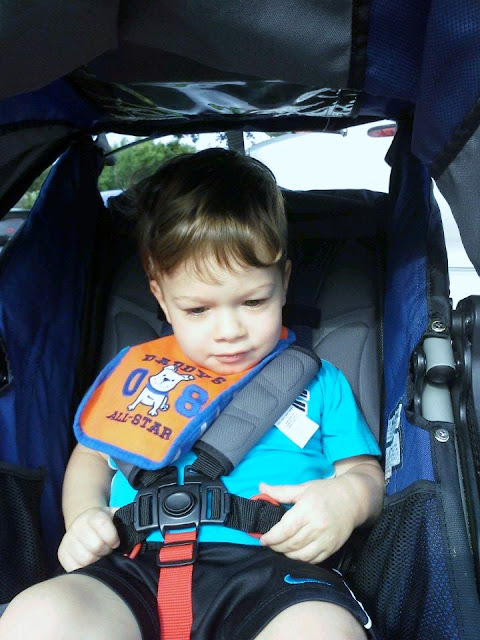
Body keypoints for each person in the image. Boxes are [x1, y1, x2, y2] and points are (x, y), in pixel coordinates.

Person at [0, 149, 384, 640]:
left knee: (321, 631)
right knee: (37, 616)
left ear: (284, 283)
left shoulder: (320, 381)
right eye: (198, 310)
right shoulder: (136, 374)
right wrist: (83, 517)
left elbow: (364, 472)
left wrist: (345, 499)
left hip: (275, 572)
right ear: (161, 298)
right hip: (132, 561)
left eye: (253, 301)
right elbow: (92, 457)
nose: (229, 331)